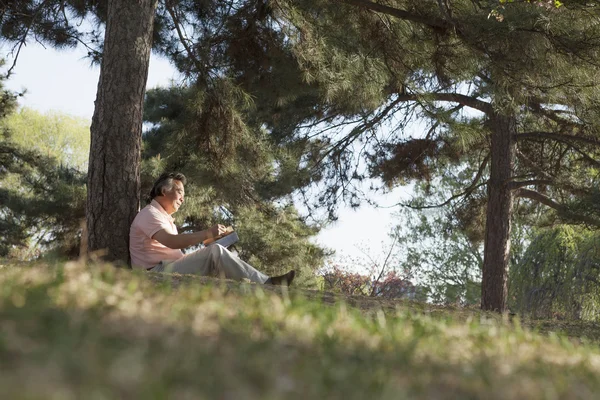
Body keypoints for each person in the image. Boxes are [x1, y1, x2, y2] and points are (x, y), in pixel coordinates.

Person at [129, 172, 295, 286]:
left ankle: (254, 285)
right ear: (164, 190)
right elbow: (172, 242)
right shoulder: (149, 214)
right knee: (215, 251)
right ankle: (266, 284)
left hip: (167, 269)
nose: (183, 199)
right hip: (155, 274)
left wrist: (208, 239)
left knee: (216, 253)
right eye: (180, 192)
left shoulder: (163, 218)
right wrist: (207, 233)